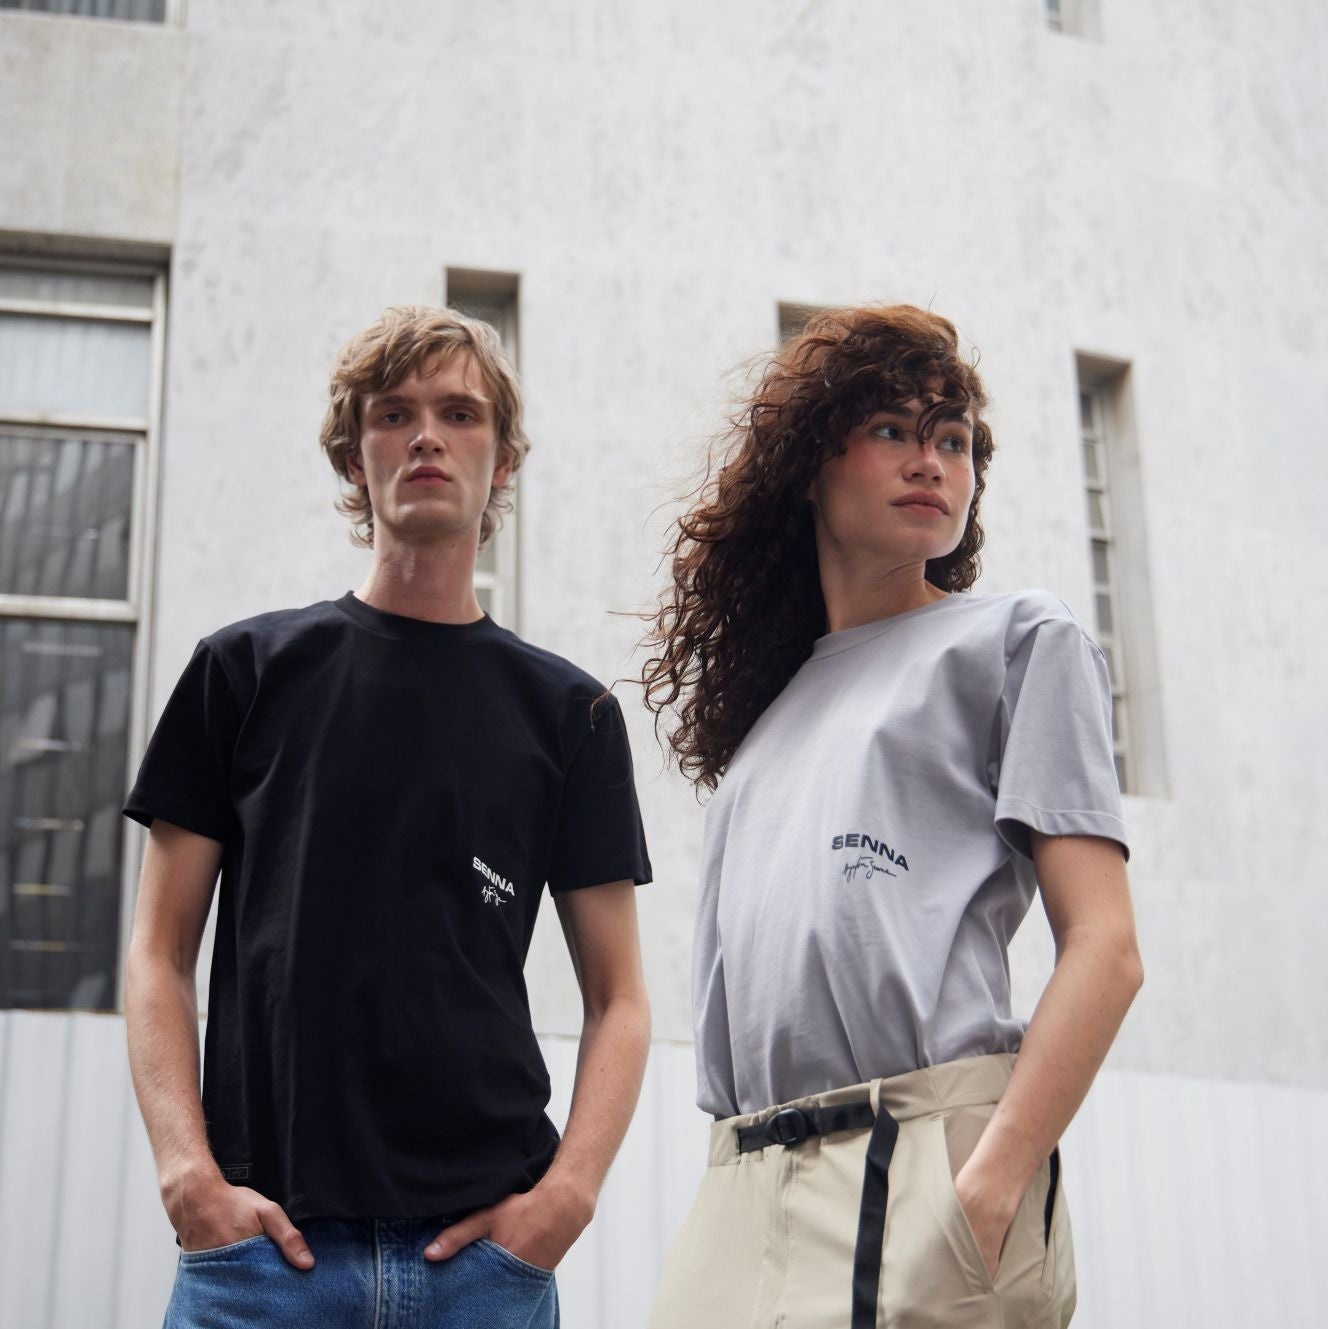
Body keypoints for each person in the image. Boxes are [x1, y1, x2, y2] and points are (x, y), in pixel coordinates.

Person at [123, 305, 653, 1329]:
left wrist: (568, 1196)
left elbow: (621, 998)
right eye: (394, 413)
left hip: (482, 1275)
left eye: (459, 414)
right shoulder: (240, 673)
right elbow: (155, 953)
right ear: (352, 452)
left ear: (500, 462)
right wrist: (187, 1173)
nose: (425, 436)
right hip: (262, 1263)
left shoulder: (571, 715)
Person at [641, 305, 1143, 1329]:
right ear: (809, 467)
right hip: (739, 1181)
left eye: (951, 439)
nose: (930, 460)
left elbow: (1105, 946)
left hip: (918, 1152)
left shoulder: (1013, 641)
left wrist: (990, 1181)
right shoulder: (765, 723)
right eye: (891, 431)